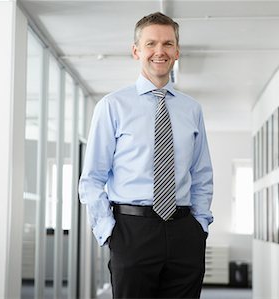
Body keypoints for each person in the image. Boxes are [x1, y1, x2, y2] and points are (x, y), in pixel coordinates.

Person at [78, 11, 213, 299]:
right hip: (132, 230)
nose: (159, 51)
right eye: (151, 44)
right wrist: (109, 232)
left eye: (167, 44)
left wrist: (199, 226)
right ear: (136, 50)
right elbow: (91, 179)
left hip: (184, 231)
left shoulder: (192, 109)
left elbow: (202, 174)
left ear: (177, 51)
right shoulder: (112, 106)